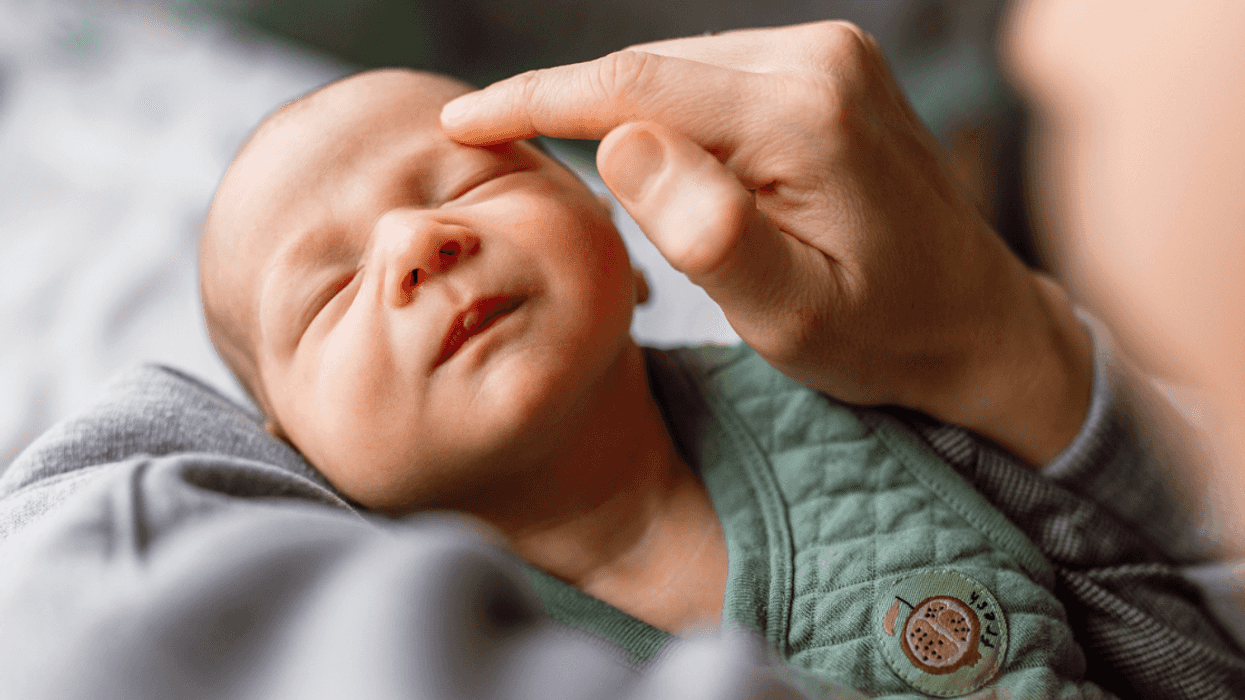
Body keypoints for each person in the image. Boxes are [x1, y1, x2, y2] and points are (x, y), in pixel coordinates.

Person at [192, 63, 1240, 698]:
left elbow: (1149, 598)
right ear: (291, 451)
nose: (420, 239)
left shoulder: (863, 397)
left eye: (472, 181)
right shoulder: (410, 641)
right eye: (328, 295)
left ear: (616, 223)